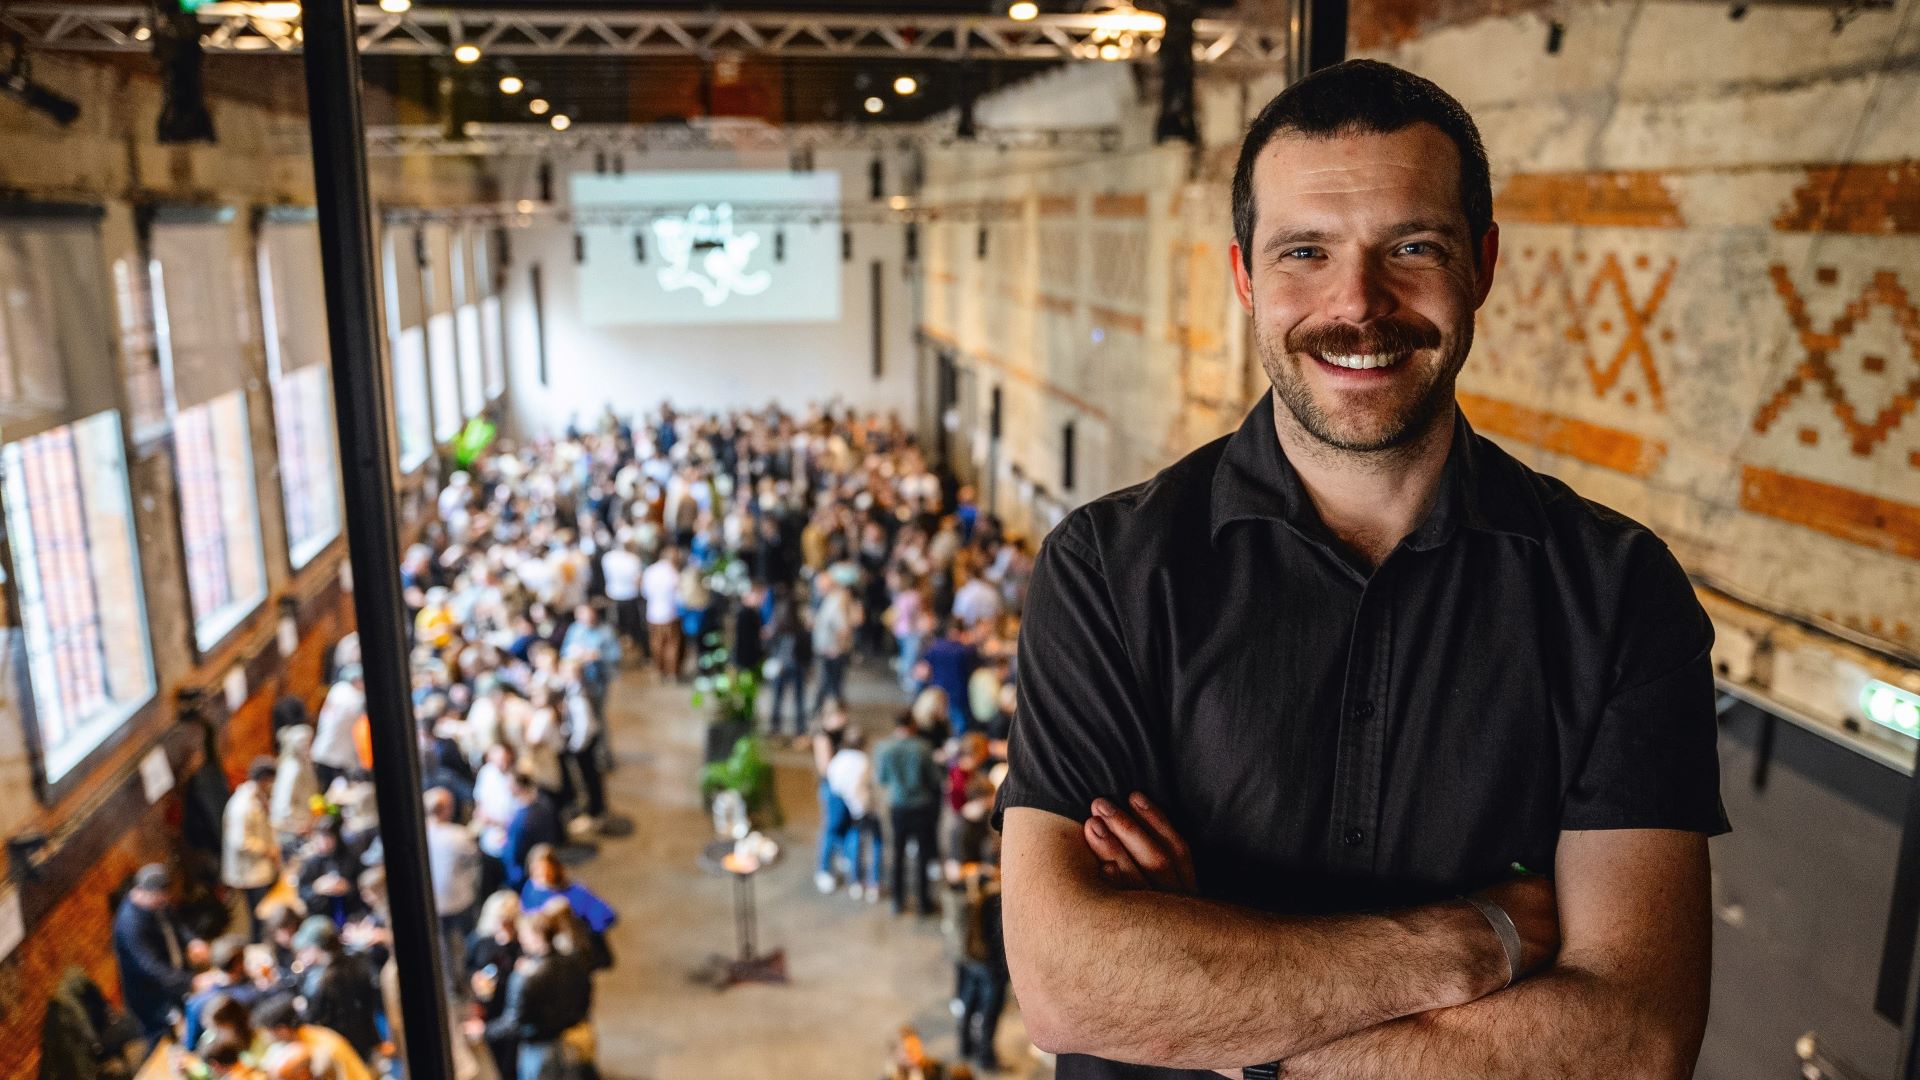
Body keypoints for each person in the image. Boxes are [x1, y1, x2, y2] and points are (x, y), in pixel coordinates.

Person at [996, 61, 1728, 1079]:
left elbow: (1635, 1041)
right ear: (1247, 277)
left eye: (1412, 247)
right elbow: (1069, 987)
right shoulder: (1109, 568)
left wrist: (1217, 1010)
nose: (1358, 304)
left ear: (1482, 264)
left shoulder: (1617, 593)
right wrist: (1473, 945)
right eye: (1306, 251)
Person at [471, 907, 594, 1080]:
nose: (520, 939)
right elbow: (586, 997)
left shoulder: (526, 977)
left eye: (523, 934)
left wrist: (484, 1031)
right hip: (574, 1043)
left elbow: (514, 1022)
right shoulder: (574, 962)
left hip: (539, 1051)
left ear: (534, 937)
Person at [112, 863, 210, 1045]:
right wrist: (191, 981)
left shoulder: (158, 903)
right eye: (160, 898)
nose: (164, 902)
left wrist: (191, 940)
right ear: (143, 892)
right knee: (164, 1041)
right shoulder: (130, 925)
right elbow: (151, 967)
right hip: (152, 997)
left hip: (174, 981)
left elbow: (176, 924)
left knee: (193, 1027)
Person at [872, 714, 943, 917]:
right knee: (922, 855)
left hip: (898, 806)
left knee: (898, 853)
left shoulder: (884, 748)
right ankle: (923, 903)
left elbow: (883, 779)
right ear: (912, 725)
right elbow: (934, 779)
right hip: (921, 805)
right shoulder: (923, 748)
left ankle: (898, 900)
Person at [290, 917, 382, 1064]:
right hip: (367, 1042)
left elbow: (312, 1017)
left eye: (306, 949)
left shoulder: (326, 979)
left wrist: (302, 1007)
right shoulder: (357, 960)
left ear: (316, 947)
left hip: (344, 1050)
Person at [518, 845, 617, 971]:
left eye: (546, 870)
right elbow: (526, 921)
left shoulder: (575, 892)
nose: (543, 875)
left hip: (572, 954)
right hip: (545, 955)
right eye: (537, 871)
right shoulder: (530, 890)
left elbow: (605, 916)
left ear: (555, 868)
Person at [222, 758, 281, 940]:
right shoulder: (242, 806)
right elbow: (240, 841)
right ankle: (260, 943)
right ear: (263, 780)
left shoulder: (257, 796)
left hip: (260, 867)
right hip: (250, 871)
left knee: (266, 907)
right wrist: (267, 850)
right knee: (258, 914)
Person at [426, 787, 483, 974]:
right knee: (470, 937)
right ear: (446, 809)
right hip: (459, 900)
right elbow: (475, 857)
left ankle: (452, 981)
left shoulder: (420, 833)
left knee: (443, 945)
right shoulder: (458, 835)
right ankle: (474, 971)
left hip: (434, 901)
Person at [824, 726, 883, 903]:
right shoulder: (863, 761)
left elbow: (834, 785)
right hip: (866, 809)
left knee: (854, 841)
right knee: (876, 843)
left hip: (849, 808)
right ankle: (874, 883)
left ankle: (856, 882)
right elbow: (874, 783)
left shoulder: (837, 760)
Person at [257, 995, 375, 1080]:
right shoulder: (306, 1038)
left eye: (268, 1032)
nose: (266, 1038)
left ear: (282, 1030)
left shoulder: (322, 1046)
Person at [503, 770, 564, 891]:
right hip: (546, 855)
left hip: (528, 870)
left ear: (517, 787)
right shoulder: (545, 801)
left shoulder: (521, 821)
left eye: (509, 784)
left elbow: (513, 856)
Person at [309, 666, 365, 790]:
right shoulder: (355, 698)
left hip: (321, 750)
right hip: (338, 756)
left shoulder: (337, 689)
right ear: (356, 681)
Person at [640, 547, 684, 679]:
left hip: (653, 613)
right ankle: (672, 673)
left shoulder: (650, 571)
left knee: (656, 643)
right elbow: (679, 598)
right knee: (672, 645)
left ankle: (659, 670)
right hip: (670, 614)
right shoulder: (674, 574)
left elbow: (645, 592)